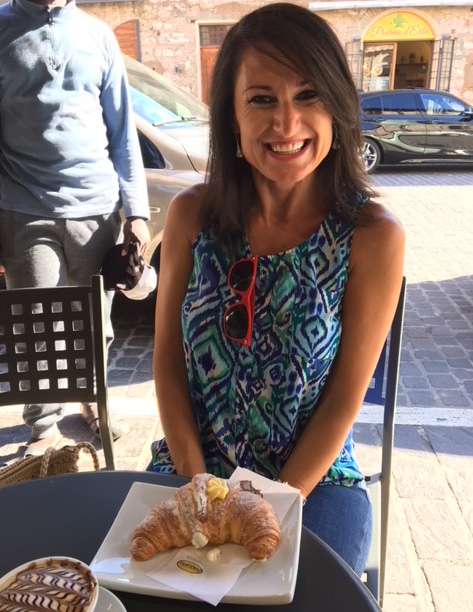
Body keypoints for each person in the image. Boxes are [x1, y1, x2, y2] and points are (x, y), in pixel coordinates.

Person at [149, 2, 405, 576]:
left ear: (338, 109)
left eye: (308, 95)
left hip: (314, 482)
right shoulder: (191, 216)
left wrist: (263, 507)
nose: (286, 124)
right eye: (262, 99)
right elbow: (166, 362)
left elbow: (343, 400)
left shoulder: (372, 237)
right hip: (192, 467)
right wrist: (200, 486)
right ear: (232, 120)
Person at [0, 0, 150, 456]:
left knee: (94, 325)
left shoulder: (99, 35)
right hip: (25, 208)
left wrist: (137, 212)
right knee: (35, 327)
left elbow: (123, 132)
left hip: (97, 210)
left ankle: (93, 402)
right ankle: (41, 426)